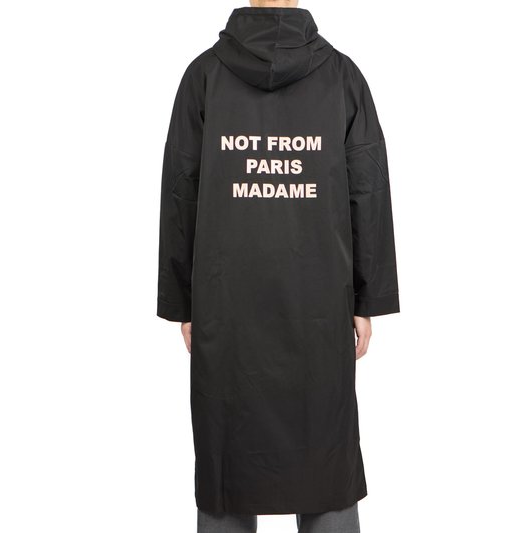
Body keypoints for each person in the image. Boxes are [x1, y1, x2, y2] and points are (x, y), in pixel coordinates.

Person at [156, 0, 400, 531]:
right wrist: (366, 299)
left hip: (225, 306)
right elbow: (367, 190)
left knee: (228, 466)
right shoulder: (341, 77)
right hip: (319, 306)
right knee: (324, 461)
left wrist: (183, 302)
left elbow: (180, 192)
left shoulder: (203, 78)